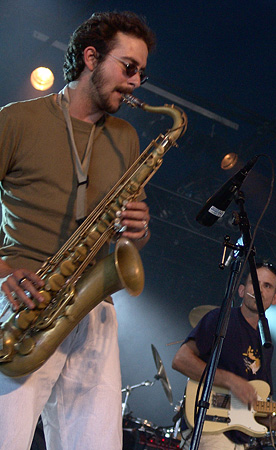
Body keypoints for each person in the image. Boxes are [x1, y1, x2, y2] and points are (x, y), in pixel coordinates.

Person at [0, 11, 155, 450]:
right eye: (129, 67)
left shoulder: (126, 137)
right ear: (91, 57)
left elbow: (129, 238)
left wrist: (138, 230)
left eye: (142, 73)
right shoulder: (16, 120)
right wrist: (3, 271)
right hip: (20, 303)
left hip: (92, 308)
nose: (136, 82)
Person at [172, 261, 276, 450]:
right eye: (255, 283)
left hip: (240, 439)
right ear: (241, 290)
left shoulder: (266, 343)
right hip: (209, 428)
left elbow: (255, 403)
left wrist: (274, 423)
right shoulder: (220, 318)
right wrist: (230, 380)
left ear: (275, 298)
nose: (260, 290)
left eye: (267, 286)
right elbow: (180, 360)